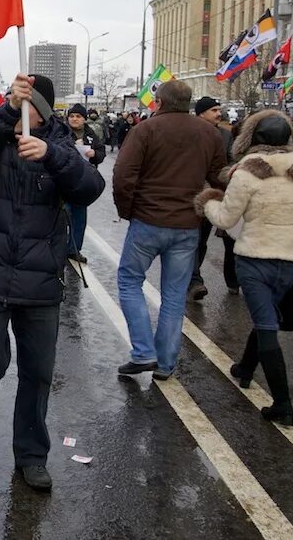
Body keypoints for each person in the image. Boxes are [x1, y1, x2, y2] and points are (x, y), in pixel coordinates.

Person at [0, 74, 104, 492]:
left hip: (41, 283)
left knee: (38, 374)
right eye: (19, 103)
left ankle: (32, 455)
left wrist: (52, 157)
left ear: (44, 111)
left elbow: (89, 189)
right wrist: (5, 112)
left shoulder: (61, 143)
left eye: (30, 105)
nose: (25, 112)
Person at [196, 110, 293, 426]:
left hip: (253, 259)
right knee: (267, 314)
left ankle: (283, 404)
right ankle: (245, 367)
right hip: (289, 260)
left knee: (265, 324)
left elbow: (225, 219)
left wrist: (208, 201)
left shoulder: (246, 174)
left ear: (253, 140)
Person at [112, 80, 226, 380]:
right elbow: (219, 178)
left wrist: (128, 210)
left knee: (128, 281)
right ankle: (165, 363)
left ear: (159, 102)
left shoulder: (145, 130)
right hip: (188, 224)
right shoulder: (209, 133)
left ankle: (143, 352)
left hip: (148, 221)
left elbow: (123, 175)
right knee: (174, 295)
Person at [190, 96, 238, 300]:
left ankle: (229, 280)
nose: (219, 114)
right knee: (194, 240)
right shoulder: (189, 132)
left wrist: (226, 177)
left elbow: (230, 161)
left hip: (215, 196)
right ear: (201, 113)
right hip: (191, 195)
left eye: (219, 109)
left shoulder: (225, 135)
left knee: (205, 240)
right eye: (214, 110)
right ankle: (194, 281)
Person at [64, 103, 105, 263]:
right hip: (65, 179)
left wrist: (94, 153)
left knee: (79, 217)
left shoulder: (90, 134)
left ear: (84, 119)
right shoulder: (63, 132)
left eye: (78, 116)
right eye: (72, 116)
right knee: (63, 215)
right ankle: (58, 247)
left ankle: (74, 249)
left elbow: (101, 152)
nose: (74, 119)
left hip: (83, 181)